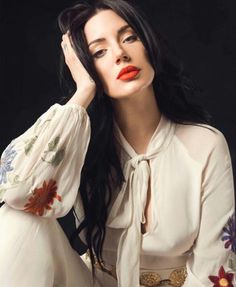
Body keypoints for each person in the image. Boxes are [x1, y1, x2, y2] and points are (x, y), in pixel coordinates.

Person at [0, 0, 235, 286]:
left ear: (148, 45)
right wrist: (83, 92)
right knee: (19, 219)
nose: (121, 54)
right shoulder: (83, 145)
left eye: (129, 38)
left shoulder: (206, 145)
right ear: (86, 67)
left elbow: (216, 273)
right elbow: (17, 192)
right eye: (99, 52)